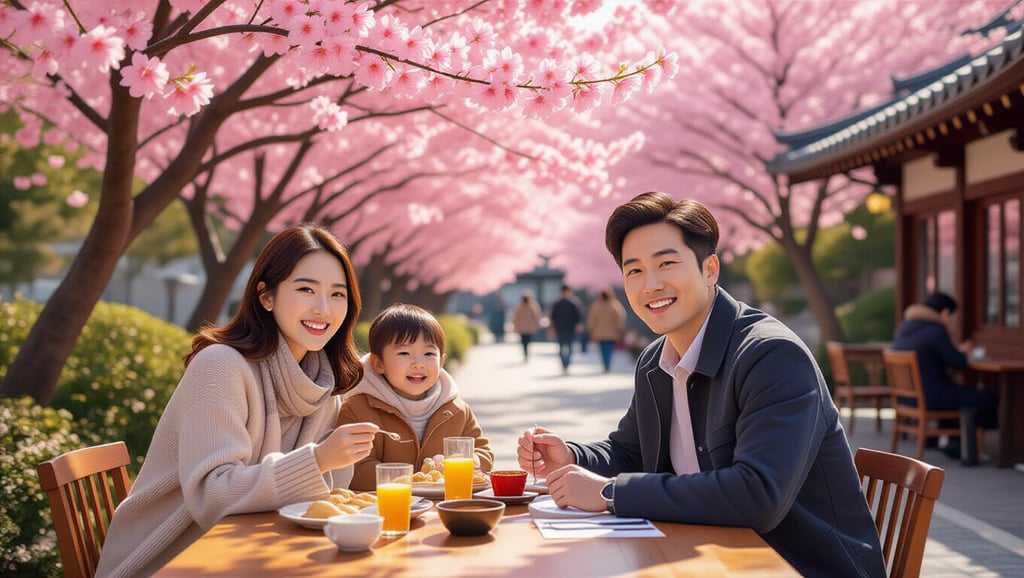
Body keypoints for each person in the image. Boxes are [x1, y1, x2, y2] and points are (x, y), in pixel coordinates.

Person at [516, 192, 885, 577]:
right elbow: (631, 452)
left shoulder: (771, 356)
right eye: (634, 271)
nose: (650, 285)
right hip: (714, 557)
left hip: (799, 566)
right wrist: (572, 457)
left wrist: (610, 493)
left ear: (710, 269)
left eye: (666, 263)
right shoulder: (655, 362)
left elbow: (758, 495)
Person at [97, 225, 379, 578]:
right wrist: (319, 459)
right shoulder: (219, 366)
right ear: (266, 296)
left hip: (258, 556)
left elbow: (325, 501)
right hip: (173, 561)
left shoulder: (321, 382)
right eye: (306, 289)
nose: (323, 308)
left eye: (337, 294)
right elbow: (212, 496)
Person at [338, 303, 494, 490]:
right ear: (378, 363)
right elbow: (356, 470)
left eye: (429, 354)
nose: (418, 364)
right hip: (387, 505)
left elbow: (484, 453)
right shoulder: (357, 410)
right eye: (404, 353)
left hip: (445, 504)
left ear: (441, 361)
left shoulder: (457, 411)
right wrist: (416, 480)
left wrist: (468, 460)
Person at [892, 292, 997, 466]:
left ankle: (946, 441)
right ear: (945, 312)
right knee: (987, 397)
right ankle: (967, 448)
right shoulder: (936, 330)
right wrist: (964, 352)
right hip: (931, 398)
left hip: (908, 398)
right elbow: (957, 362)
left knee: (958, 394)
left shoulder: (904, 327)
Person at [587, 288, 627, 372]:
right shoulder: (615, 305)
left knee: (602, 349)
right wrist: (620, 328)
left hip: (599, 332)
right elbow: (620, 318)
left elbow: (592, 319)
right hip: (612, 332)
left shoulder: (596, 306)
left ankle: (605, 364)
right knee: (609, 349)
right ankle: (607, 364)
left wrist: (590, 329)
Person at [549, 284, 582, 373]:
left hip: (570, 329)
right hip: (560, 329)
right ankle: (564, 364)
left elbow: (577, 317)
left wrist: (578, 326)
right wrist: (552, 329)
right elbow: (553, 317)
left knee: (570, 348)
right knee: (561, 348)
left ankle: (567, 363)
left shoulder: (573, 303)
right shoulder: (557, 304)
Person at [511, 291, 543, 362]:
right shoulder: (532, 305)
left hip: (522, 328)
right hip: (529, 328)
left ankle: (525, 353)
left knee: (524, 341)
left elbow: (514, 317)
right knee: (527, 341)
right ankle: (526, 353)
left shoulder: (520, 306)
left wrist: (515, 325)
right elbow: (537, 316)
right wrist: (537, 324)